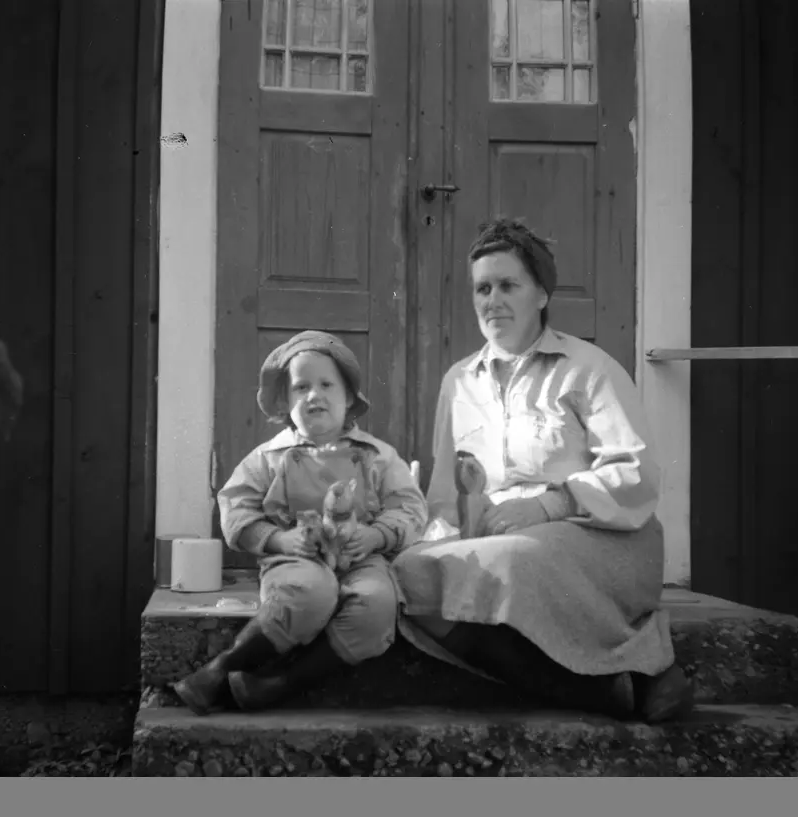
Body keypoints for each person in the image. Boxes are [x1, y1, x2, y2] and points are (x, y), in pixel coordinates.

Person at [391, 218, 694, 723]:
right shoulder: (459, 382)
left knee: (511, 560)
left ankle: (641, 665)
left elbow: (637, 475)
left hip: (597, 535)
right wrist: (439, 538)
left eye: (508, 285)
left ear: (542, 294)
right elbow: (444, 495)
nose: (492, 301)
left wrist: (550, 503)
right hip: (500, 542)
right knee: (409, 575)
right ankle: (602, 692)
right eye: (482, 289)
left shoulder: (588, 369)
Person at [171, 331, 428, 715]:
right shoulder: (269, 458)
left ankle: (280, 683)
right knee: (309, 592)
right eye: (301, 387)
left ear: (349, 397)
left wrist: (376, 535)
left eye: (326, 385)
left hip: (361, 558)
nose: (313, 395)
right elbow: (236, 506)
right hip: (298, 557)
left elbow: (409, 506)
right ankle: (222, 667)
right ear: (284, 401)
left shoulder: (378, 456)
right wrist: (278, 540)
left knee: (377, 607)